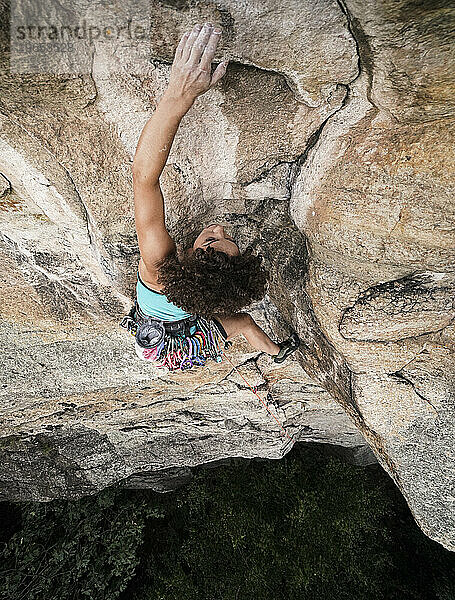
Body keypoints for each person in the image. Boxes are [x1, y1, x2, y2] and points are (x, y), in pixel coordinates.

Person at [123, 21, 300, 372]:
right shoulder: (206, 287)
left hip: (169, 346)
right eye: (228, 237)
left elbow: (144, 179)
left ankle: (274, 352)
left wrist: (178, 95)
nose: (219, 228)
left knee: (246, 323)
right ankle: (277, 353)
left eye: (214, 239)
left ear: (197, 253)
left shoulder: (160, 266)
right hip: (167, 326)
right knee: (244, 322)